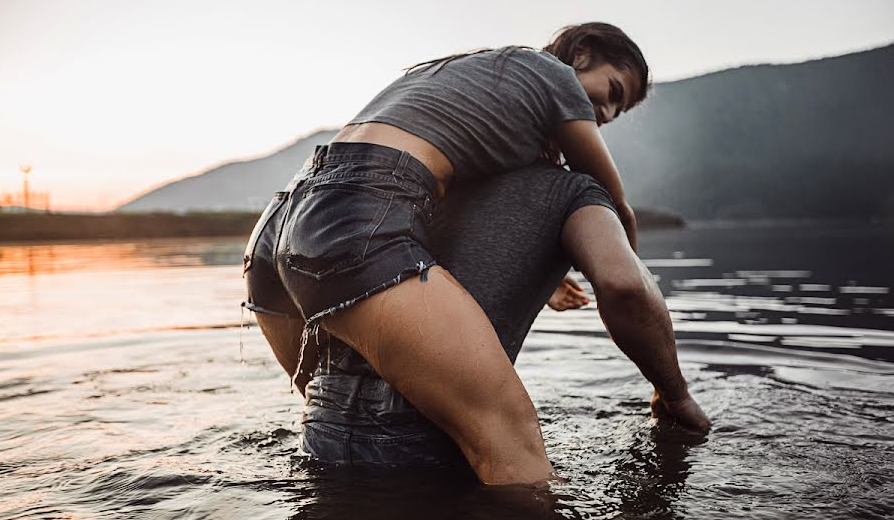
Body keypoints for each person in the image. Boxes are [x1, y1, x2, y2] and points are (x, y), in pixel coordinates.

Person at [247, 22, 670, 485]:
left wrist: (547, 276)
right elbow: (615, 201)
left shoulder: (481, 81)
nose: (607, 111)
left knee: (333, 404)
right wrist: (628, 257)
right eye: (611, 90)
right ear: (583, 52)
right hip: (357, 209)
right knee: (512, 442)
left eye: (619, 108)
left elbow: (494, 218)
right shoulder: (555, 75)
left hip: (280, 223)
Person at [244, 162, 711, 469]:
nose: (604, 118)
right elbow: (626, 286)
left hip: (320, 430)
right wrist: (674, 394)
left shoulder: (419, 180)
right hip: (434, 435)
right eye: (609, 99)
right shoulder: (572, 190)